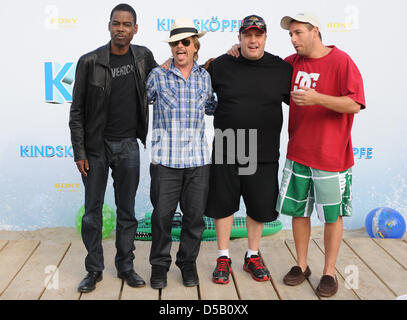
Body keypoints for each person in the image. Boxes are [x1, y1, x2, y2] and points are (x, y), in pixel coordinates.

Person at [276, 13, 366, 297]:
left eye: (298, 33)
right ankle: (301, 266)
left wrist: (318, 98)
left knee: (332, 216)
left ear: (315, 31)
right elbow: (263, 70)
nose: (293, 39)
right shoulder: (292, 63)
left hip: (331, 156)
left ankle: (329, 271)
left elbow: (355, 103)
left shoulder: (341, 61)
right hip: (298, 152)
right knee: (299, 213)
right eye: (290, 34)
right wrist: (234, 52)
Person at [69, 3, 157, 293]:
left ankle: (125, 266)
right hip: (96, 148)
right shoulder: (90, 62)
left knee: (127, 211)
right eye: (116, 23)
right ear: (109, 26)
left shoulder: (143, 57)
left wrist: (211, 62)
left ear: (135, 29)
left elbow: (167, 78)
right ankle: (94, 269)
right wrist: (80, 152)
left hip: (129, 145)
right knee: (92, 212)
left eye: (126, 24)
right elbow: (77, 112)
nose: (121, 28)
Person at [205, 15, 292, 284]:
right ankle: (223, 256)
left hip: (264, 150)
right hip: (227, 147)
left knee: (258, 207)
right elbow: (190, 78)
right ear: (239, 37)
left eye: (258, 35)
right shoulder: (221, 64)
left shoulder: (281, 69)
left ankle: (252, 255)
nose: (253, 40)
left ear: (265, 37)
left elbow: (301, 103)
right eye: (248, 35)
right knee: (223, 205)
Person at [145, 18, 217, 289]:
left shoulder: (205, 78)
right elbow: (138, 103)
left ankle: (188, 264)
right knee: (162, 217)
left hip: (198, 162)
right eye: (175, 43)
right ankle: (159, 266)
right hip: (165, 161)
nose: (180, 47)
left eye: (185, 42)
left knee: (195, 219)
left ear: (195, 46)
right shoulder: (157, 76)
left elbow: (210, 107)